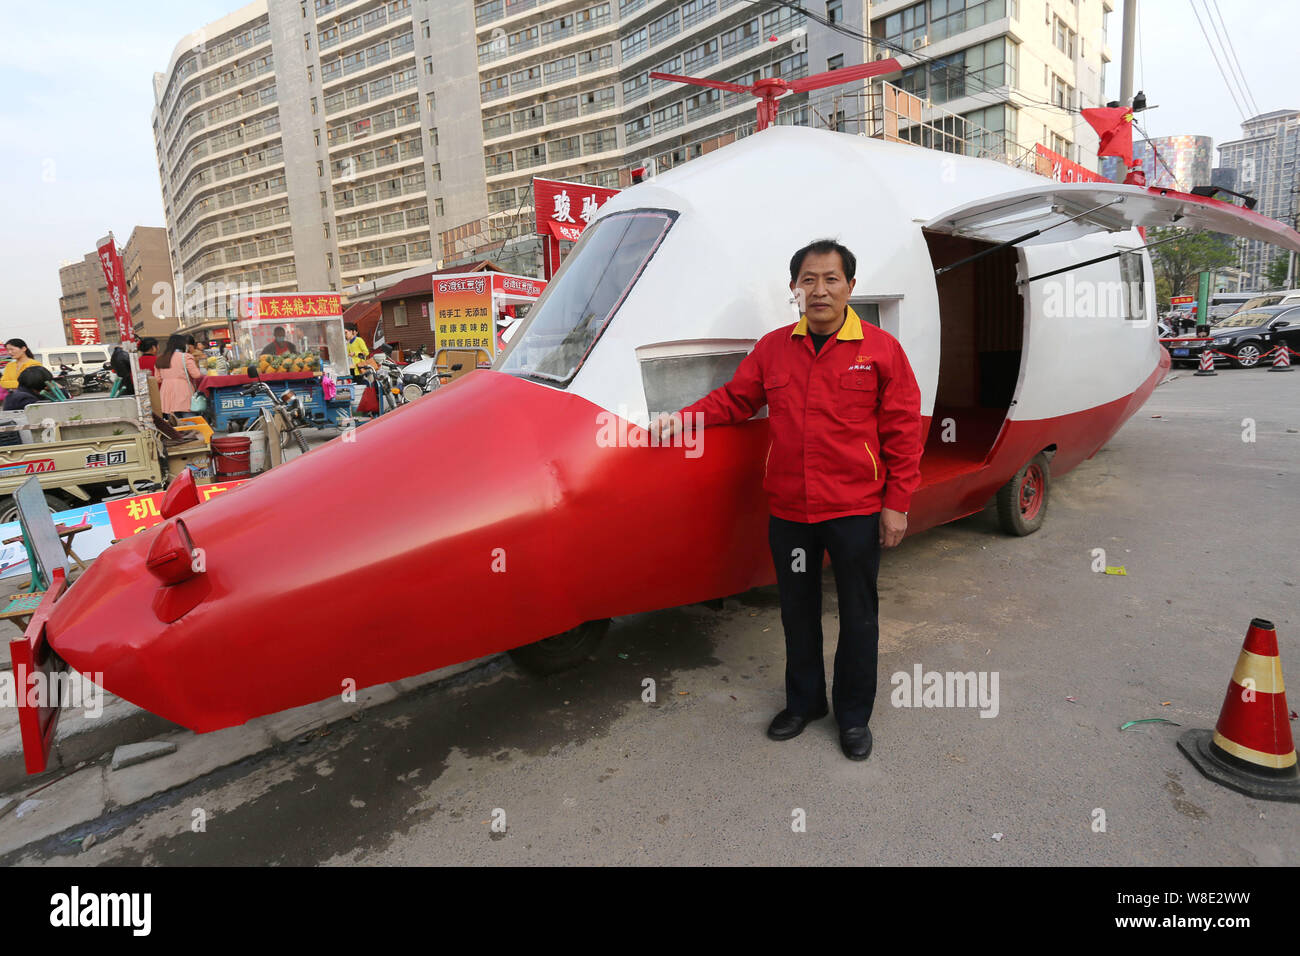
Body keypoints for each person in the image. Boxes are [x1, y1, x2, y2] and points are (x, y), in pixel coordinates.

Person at [652, 239, 924, 762]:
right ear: (795, 288)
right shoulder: (774, 347)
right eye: (808, 280)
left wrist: (897, 502)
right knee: (797, 614)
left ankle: (852, 717)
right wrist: (683, 418)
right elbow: (736, 399)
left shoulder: (880, 351)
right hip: (791, 512)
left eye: (831, 279)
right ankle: (804, 705)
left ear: (850, 286)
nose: (819, 290)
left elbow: (902, 431)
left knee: (859, 616)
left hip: (854, 510)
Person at [153, 333, 203, 421]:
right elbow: (196, 375)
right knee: (189, 419)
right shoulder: (185, 357)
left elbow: (158, 379)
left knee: (174, 422)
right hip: (183, 390)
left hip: (166, 391)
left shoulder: (160, 358)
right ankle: (193, 434)